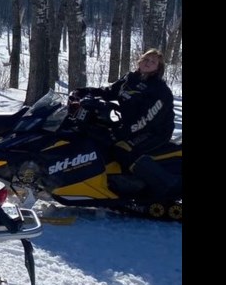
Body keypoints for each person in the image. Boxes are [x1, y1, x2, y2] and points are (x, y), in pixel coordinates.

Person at [72, 48, 175, 194]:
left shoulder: (159, 89)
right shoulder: (130, 78)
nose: (148, 63)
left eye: (153, 62)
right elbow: (109, 91)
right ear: (140, 60)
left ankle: (163, 186)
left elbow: (147, 119)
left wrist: (122, 132)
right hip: (130, 124)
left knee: (123, 148)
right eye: (146, 59)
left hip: (155, 132)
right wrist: (84, 91)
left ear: (158, 67)